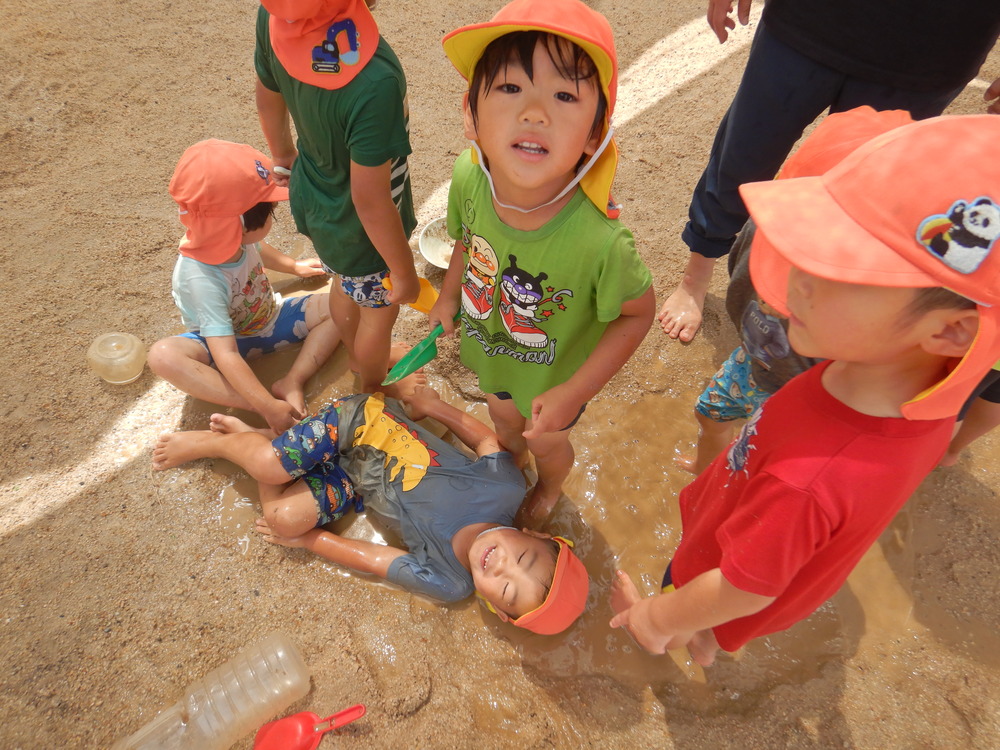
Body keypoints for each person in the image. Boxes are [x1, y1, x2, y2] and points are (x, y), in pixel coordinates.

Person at [610, 115, 1000, 666]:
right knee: (714, 622)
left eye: (842, 270)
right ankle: (707, 638)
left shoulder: (809, 483)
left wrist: (655, 618)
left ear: (950, 330)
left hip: (725, 566)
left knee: (693, 604)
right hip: (766, 535)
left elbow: (743, 587)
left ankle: (692, 637)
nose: (797, 276)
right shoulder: (908, 389)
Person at [429, 0, 655, 525]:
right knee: (503, 421)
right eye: (510, 88)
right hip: (492, 352)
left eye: (564, 95)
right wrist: (446, 298)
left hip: (554, 381)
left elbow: (637, 313)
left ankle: (551, 485)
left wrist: (573, 392)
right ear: (470, 114)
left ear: (594, 136)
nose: (535, 112)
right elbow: (463, 238)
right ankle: (512, 456)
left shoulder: (600, 242)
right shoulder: (469, 176)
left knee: (547, 443)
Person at [658, 0, 1000, 342]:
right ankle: (696, 276)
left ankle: (808, 303)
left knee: (860, 198)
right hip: (810, 18)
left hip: (939, 47)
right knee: (744, 154)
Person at [152, 384, 590, 635]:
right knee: (269, 466)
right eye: (525, 558)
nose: (502, 567)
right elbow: (487, 442)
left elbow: (375, 558)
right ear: (533, 535)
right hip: (361, 424)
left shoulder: (451, 582)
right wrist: (437, 408)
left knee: (284, 518)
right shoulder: (504, 488)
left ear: (494, 607)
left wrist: (307, 539)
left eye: (508, 591)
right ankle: (220, 444)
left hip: (356, 482)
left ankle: (259, 441)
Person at [680, 107, 912, 474]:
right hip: (757, 362)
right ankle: (705, 469)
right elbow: (740, 285)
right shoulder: (764, 228)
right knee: (709, 413)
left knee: (778, 456)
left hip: (822, 394)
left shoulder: (894, 297)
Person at [254, 0, 421, 394]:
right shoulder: (375, 80)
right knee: (379, 315)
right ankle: (372, 381)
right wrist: (403, 271)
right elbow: (371, 200)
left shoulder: (279, 15)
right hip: (364, 232)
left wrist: (282, 154)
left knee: (346, 283)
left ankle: (356, 353)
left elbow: (268, 91)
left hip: (317, 200)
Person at [148, 139, 340, 434]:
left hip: (270, 319)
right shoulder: (201, 278)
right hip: (221, 345)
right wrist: (266, 406)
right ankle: (257, 402)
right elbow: (224, 353)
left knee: (340, 304)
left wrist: (293, 266)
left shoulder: (231, 237)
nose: (274, 215)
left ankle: (292, 380)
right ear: (237, 226)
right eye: (271, 212)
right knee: (163, 356)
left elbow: (258, 247)